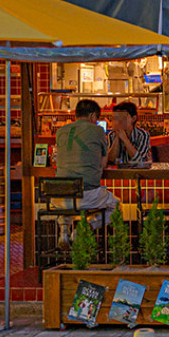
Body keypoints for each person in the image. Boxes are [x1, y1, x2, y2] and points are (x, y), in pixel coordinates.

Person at [54, 99, 120, 249]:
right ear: (92, 116)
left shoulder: (60, 132)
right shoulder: (98, 131)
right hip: (86, 194)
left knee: (69, 200)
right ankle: (84, 228)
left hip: (57, 196)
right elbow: (103, 163)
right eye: (97, 118)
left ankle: (64, 232)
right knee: (115, 206)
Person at [107, 101, 152, 167]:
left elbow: (139, 161)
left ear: (133, 118)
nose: (118, 121)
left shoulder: (143, 135)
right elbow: (110, 159)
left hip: (138, 172)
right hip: (117, 172)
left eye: (123, 118)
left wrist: (124, 139)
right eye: (115, 118)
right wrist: (117, 137)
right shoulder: (111, 135)